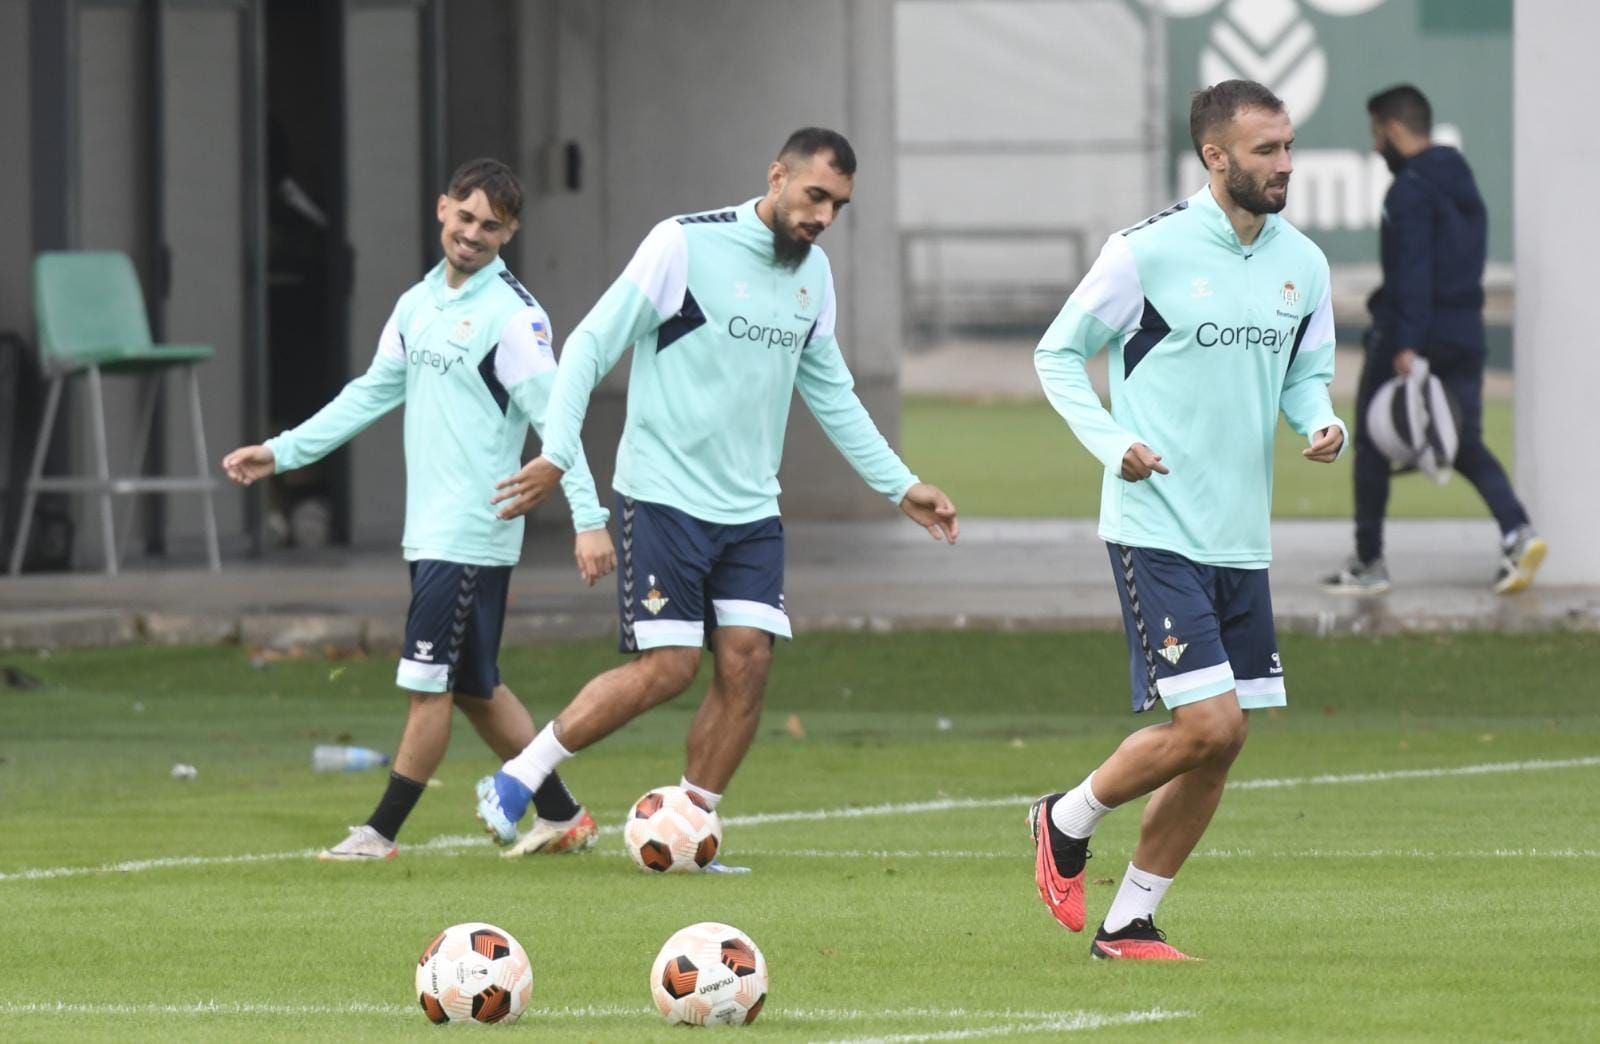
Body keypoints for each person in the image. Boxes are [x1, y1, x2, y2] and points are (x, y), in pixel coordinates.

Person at [472, 127, 960, 861]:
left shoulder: (813, 277)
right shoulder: (683, 245)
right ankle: (521, 774)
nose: (824, 216)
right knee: (667, 668)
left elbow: (831, 392)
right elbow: (591, 346)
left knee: (747, 664)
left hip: (751, 510)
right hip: (663, 496)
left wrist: (900, 485)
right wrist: (559, 454)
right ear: (777, 176)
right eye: (815, 196)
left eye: (839, 206)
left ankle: (689, 827)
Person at [222, 158, 616, 861]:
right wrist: (280, 453)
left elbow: (560, 426)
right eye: (464, 217)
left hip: (470, 530)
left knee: (427, 684)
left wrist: (589, 519)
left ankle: (379, 833)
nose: (473, 234)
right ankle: (562, 816)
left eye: (490, 225)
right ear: (442, 210)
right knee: (474, 687)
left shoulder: (513, 318)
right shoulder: (418, 303)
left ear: (511, 231)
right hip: (431, 531)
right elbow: (369, 392)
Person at [1029, 81, 1345, 959]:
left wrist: (1321, 423)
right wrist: (1110, 438)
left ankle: (1129, 920)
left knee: (1218, 747)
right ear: (1216, 157)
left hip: (1241, 537)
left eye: (1288, 146)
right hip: (1154, 522)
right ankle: (1065, 815)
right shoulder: (1146, 253)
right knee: (1211, 723)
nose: (1285, 164)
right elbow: (1057, 353)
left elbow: (1303, 377)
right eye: (1266, 150)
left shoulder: (1304, 264)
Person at [1325, 84, 1544, 595]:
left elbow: (1414, 270)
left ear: (1394, 130)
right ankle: (1518, 531)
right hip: (1465, 331)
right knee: (1464, 441)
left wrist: (1406, 341)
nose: (1375, 144)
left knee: (1373, 445)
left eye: (1376, 133)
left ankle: (1369, 562)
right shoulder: (1462, 181)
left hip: (1412, 334)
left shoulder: (1409, 190)